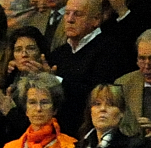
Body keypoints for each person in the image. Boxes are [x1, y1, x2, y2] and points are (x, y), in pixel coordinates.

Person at [45, 0, 128, 133]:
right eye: (67, 13)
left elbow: (97, 95)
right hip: (58, 131)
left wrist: (55, 81)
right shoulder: (58, 54)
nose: (70, 19)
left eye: (77, 14)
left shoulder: (110, 50)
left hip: (91, 132)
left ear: (96, 20)